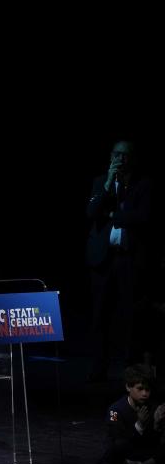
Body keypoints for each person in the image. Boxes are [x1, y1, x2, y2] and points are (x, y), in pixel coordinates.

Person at [86, 140, 152, 381]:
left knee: (129, 318)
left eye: (125, 155)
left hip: (129, 259)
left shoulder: (142, 184)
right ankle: (97, 369)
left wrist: (114, 214)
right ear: (110, 156)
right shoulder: (100, 181)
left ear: (132, 159)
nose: (120, 160)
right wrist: (106, 186)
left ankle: (129, 372)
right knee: (99, 316)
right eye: (116, 154)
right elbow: (91, 213)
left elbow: (143, 217)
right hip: (102, 259)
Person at [98, 365, 165, 464]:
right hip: (124, 452)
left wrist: (157, 425)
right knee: (118, 446)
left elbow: (152, 442)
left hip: (142, 451)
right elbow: (118, 439)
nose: (144, 393)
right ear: (128, 387)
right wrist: (139, 425)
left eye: (147, 389)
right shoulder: (114, 411)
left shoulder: (152, 407)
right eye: (140, 389)